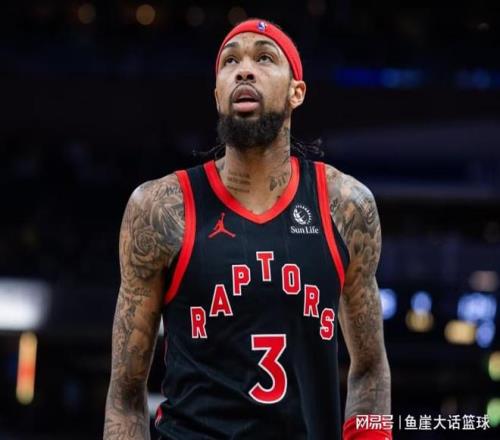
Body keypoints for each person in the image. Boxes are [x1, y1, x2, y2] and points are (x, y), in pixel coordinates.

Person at [104, 18, 391, 440]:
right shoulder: (160, 208)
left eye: (264, 58)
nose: (244, 70)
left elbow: (370, 368)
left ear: (297, 92)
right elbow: (126, 393)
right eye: (230, 61)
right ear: (217, 93)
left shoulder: (346, 205)